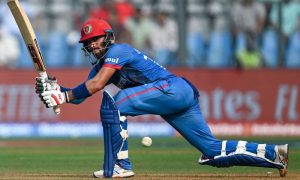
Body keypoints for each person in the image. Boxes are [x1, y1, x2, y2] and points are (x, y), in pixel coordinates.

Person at [35, 18, 289, 178]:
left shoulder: (118, 51)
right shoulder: (102, 67)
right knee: (211, 152)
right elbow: (80, 95)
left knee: (116, 103)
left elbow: (95, 85)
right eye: (87, 43)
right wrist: (53, 92)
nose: (92, 45)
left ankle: (121, 166)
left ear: (109, 37)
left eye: (95, 39)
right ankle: (274, 154)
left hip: (172, 88)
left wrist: (63, 95)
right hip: (178, 96)